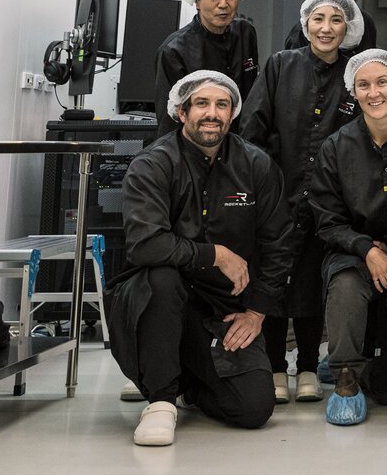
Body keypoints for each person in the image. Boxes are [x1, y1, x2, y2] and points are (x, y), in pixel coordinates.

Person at [109, 70, 296, 445]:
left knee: (254, 408)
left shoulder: (256, 166)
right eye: (202, 104)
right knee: (163, 277)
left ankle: (187, 385)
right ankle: (161, 400)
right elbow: (145, 244)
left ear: (232, 114)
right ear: (182, 112)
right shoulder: (153, 164)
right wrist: (215, 255)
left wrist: (256, 312)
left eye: (222, 105)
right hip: (153, 301)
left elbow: (278, 243)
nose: (212, 113)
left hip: (221, 307)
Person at [240, 0, 364, 404]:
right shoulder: (280, 65)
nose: (326, 28)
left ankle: (308, 366)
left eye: (336, 20)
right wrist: (262, 185)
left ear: (348, 27)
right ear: (306, 23)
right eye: (318, 19)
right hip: (277, 194)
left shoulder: (353, 75)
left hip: (327, 201)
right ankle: (276, 366)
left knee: (311, 282)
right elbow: (253, 129)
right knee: (273, 278)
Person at [310, 47, 387, 424]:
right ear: (353, 91)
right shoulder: (336, 147)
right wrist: (367, 249)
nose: (373, 92)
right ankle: (345, 376)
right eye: (364, 85)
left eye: (382, 82)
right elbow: (328, 221)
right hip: (352, 251)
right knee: (346, 284)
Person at [153, 0, 261, 139]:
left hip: (240, 143)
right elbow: (169, 121)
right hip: (198, 144)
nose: (223, 3)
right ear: (197, 0)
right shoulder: (174, 50)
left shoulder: (246, 32)